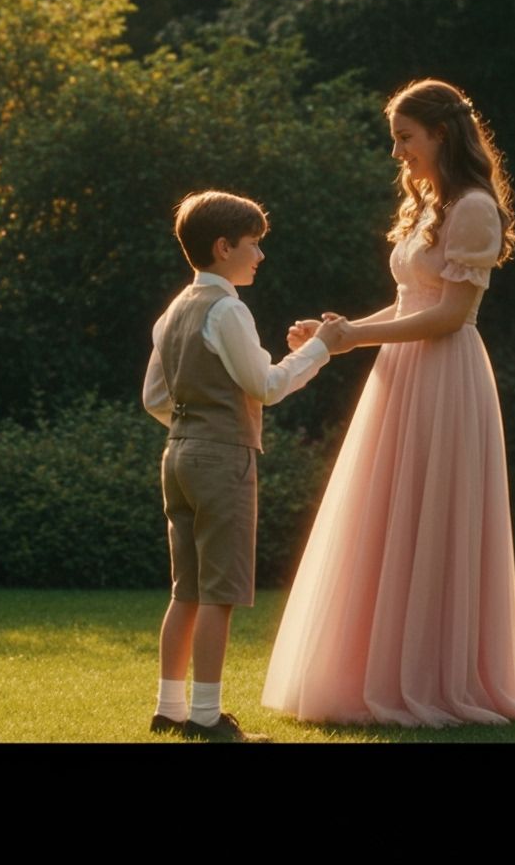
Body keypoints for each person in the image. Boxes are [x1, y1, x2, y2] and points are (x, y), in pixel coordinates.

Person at [262, 80, 515, 727]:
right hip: (401, 375)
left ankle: (440, 677)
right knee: (387, 516)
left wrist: (357, 336)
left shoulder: (472, 209)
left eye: (406, 137)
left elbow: (451, 314)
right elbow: (411, 304)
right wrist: (338, 335)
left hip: (445, 379)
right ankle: (372, 671)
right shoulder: (428, 206)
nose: (398, 151)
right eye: (395, 139)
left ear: (440, 133)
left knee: (435, 518)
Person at [143, 189, 345, 742]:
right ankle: (206, 717)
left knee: (186, 589)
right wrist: (321, 348)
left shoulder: (174, 311)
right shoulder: (228, 308)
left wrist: (193, 426)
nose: (259, 255)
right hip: (222, 457)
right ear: (223, 245)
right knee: (219, 592)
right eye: (253, 244)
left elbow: (154, 398)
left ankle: (169, 707)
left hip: (178, 454)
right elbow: (267, 386)